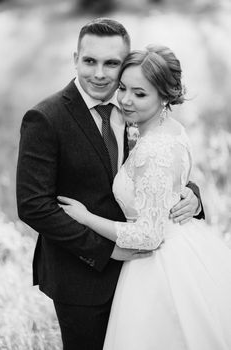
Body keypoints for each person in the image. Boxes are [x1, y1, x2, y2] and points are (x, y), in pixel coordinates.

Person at [16, 18, 204, 350]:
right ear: (76, 58)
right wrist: (106, 250)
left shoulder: (133, 108)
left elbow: (157, 168)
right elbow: (34, 206)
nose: (100, 73)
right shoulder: (45, 118)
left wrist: (194, 195)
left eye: (111, 63)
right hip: (81, 276)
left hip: (145, 273)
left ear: (125, 65)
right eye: (90, 61)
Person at [58, 45, 231, 350]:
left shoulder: (156, 146)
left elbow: (149, 235)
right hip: (181, 245)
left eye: (139, 94)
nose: (125, 99)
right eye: (123, 88)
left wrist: (86, 218)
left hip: (157, 265)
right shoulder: (166, 127)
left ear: (165, 95)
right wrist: (188, 193)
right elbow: (166, 183)